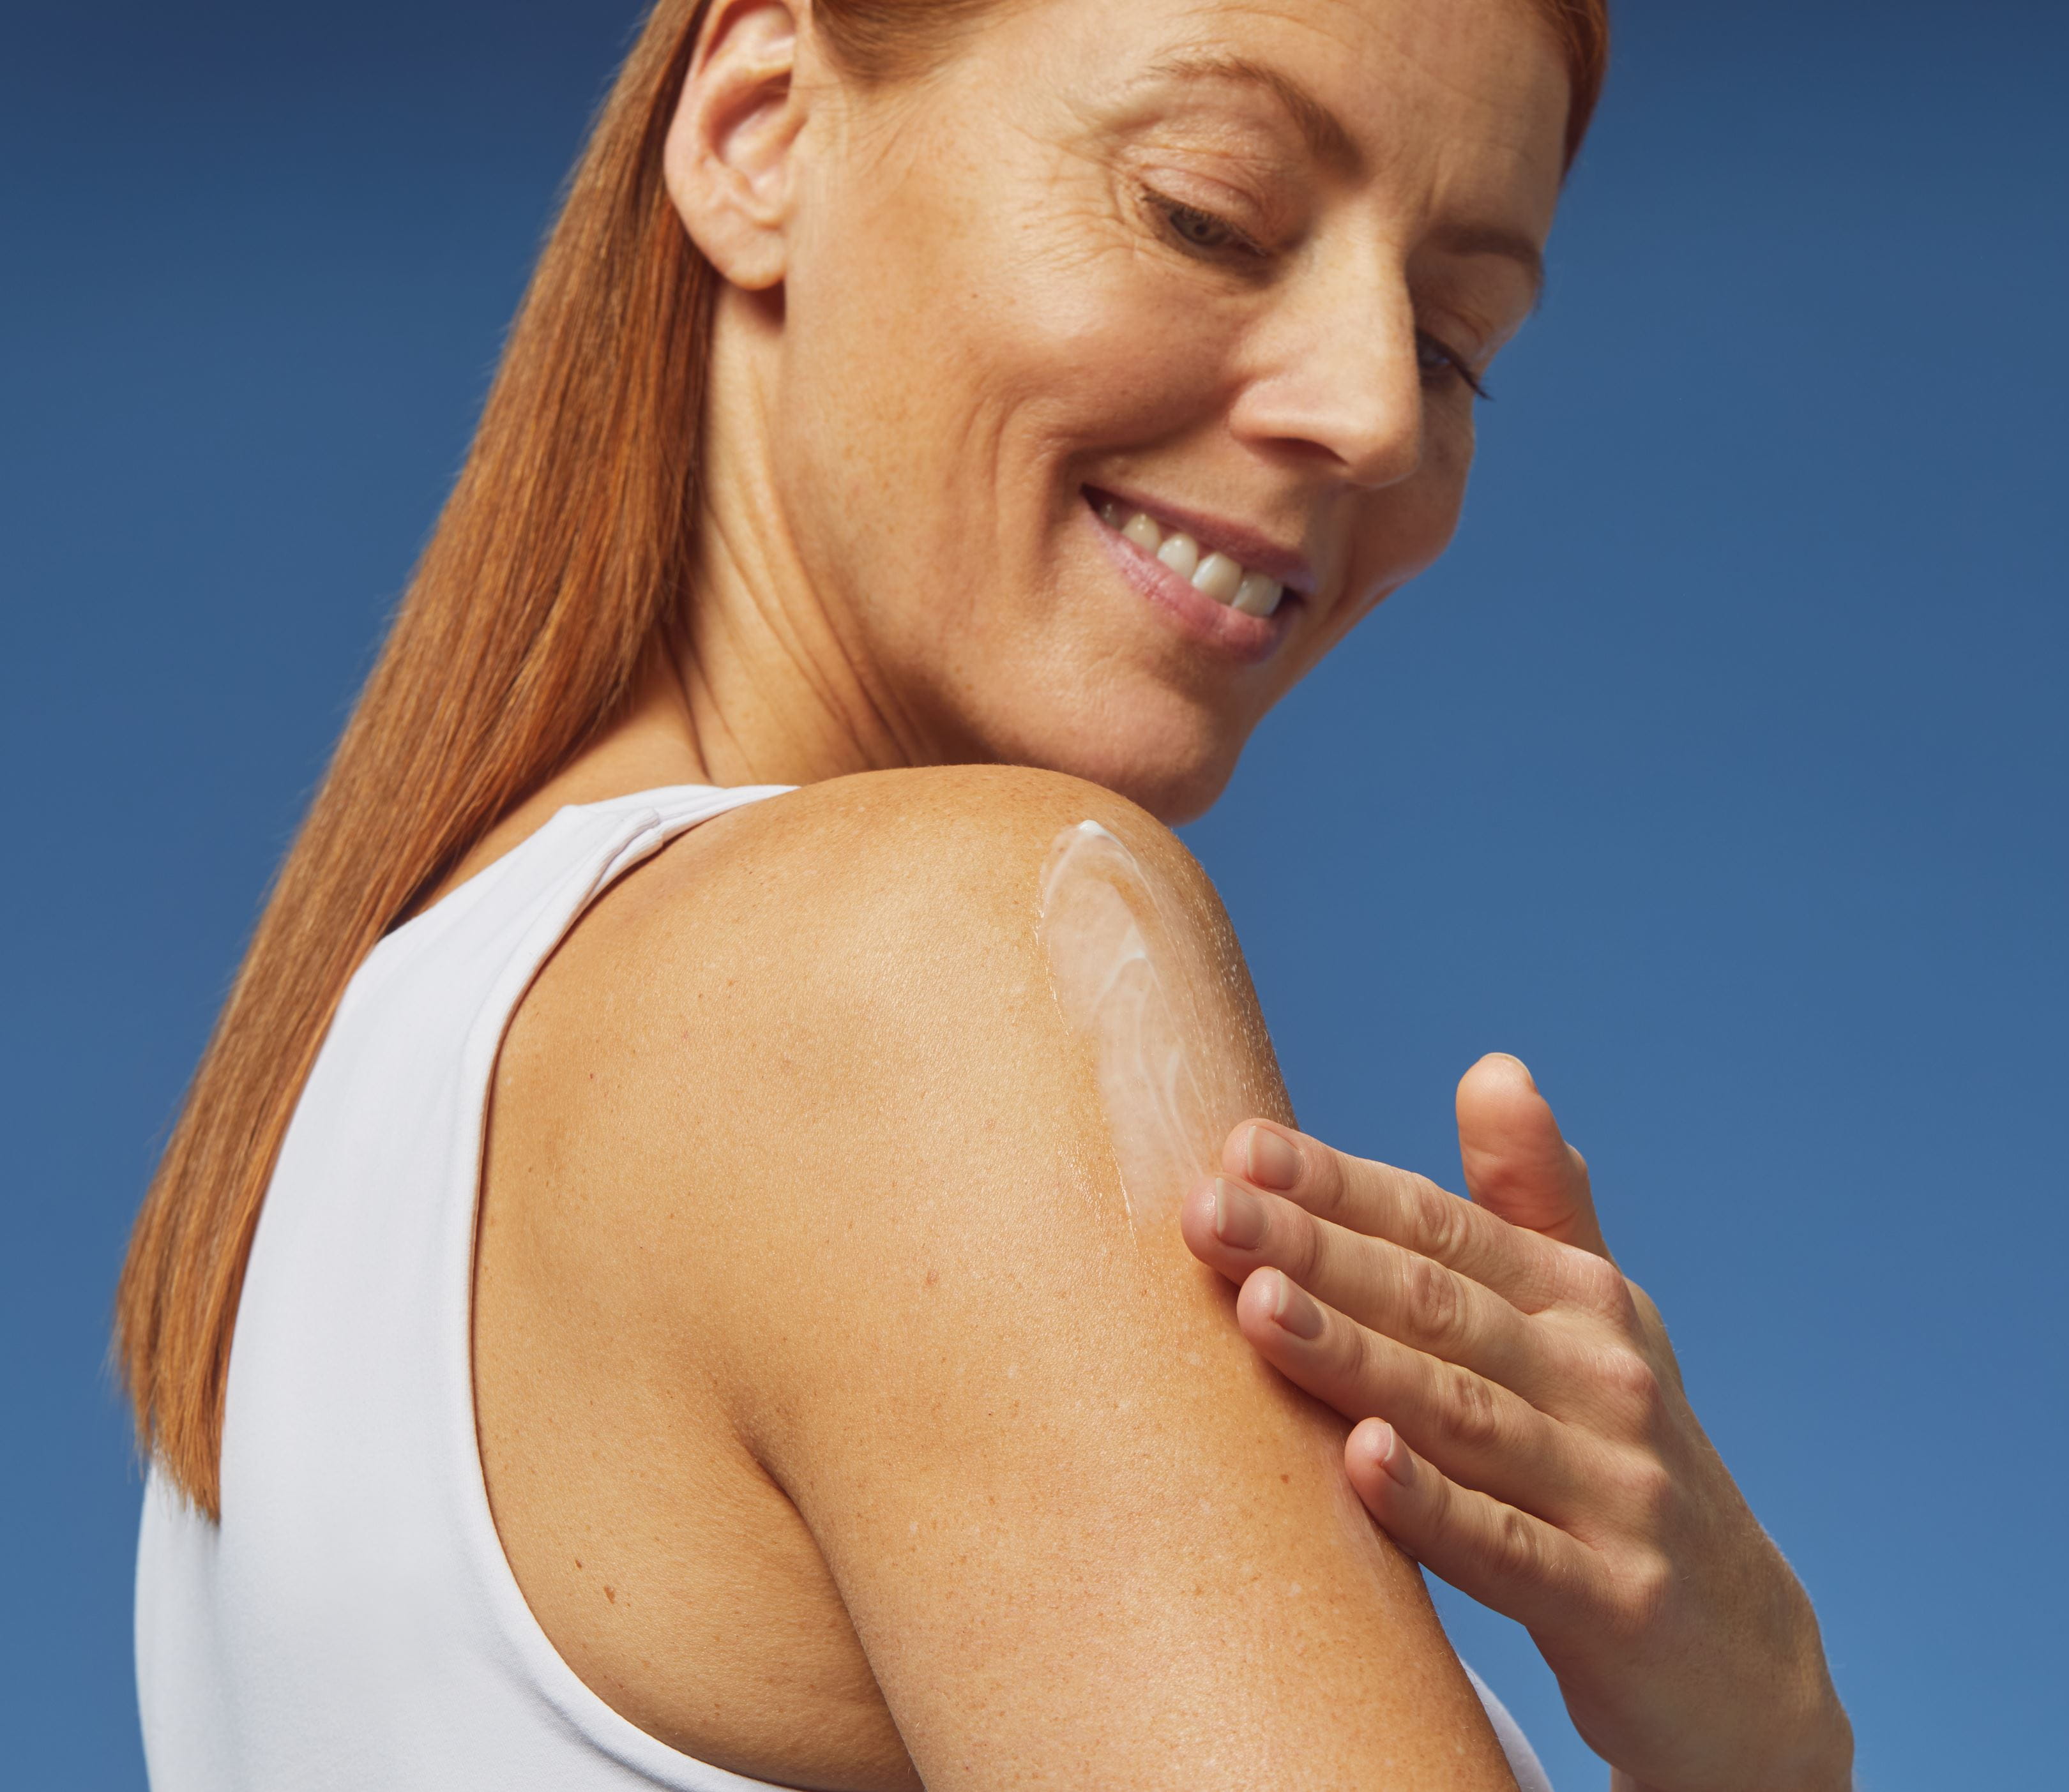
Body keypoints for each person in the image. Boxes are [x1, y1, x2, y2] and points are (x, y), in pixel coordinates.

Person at [117, 0, 1852, 1787]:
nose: (1373, 417)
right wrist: (1772, 1740)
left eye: (1450, 342)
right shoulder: (937, 956)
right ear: (761, 127)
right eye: (1209, 214)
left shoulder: (319, 1202)